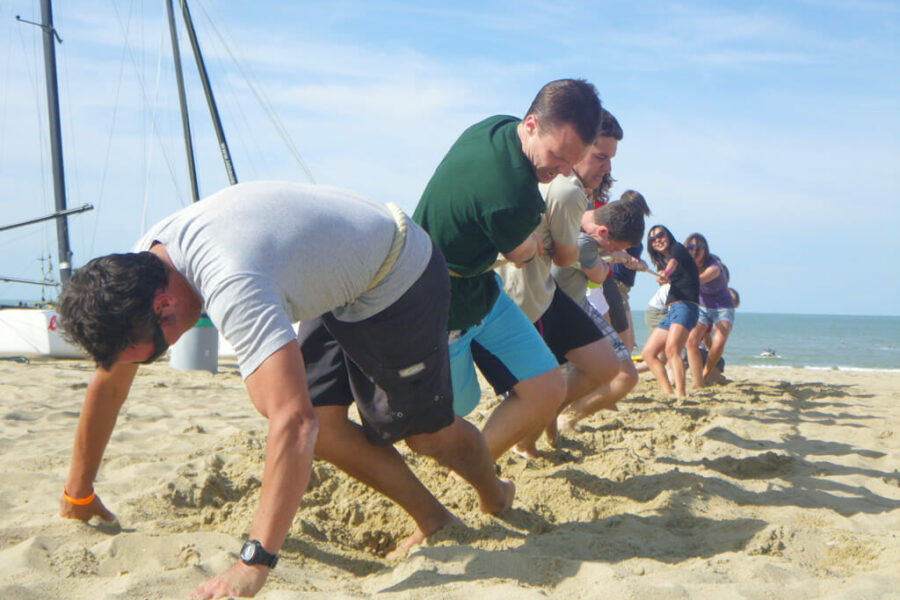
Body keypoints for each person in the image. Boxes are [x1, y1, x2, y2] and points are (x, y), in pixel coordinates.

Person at [56, 181, 514, 600]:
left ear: (164, 306)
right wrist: (79, 494)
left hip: (398, 271)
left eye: (150, 353)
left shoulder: (230, 280)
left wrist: (253, 563)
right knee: (329, 429)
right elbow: (111, 385)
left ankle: (495, 493)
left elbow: (293, 423)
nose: (144, 363)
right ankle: (436, 519)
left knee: (423, 435)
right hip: (333, 277)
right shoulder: (143, 265)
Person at [412, 78, 601, 461]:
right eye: (557, 156)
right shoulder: (512, 197)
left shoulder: (496, 125)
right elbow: (524, 253)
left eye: (572, 162)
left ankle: (472, 467)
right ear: (531, 125)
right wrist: (534, 240)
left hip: (482, 287)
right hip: (438, 299)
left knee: (549, 387)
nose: (564, 172)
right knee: (459, 405)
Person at [483, 108, 636, 455]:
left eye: (611, 159)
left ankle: (530, 433)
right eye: (600, 157)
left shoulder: (560, 186)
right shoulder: (566, 191)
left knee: (606, 366)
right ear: (578, 147)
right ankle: (490, 453)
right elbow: (567, 258)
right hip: (522, 299)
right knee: (540, 391)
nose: (608, 168)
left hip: (546, 294)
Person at [550, 200, 645, 432]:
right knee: (623, 375)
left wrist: (614, 253)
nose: (615, 252)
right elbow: (600, 275)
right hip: (559, 313)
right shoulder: (583, 242)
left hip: (579, 306)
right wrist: (610, 259)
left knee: (625, 375)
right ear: (602, 231)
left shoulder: (575, 225)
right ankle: (560, 415)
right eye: (615, 246)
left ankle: (563, 416)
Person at [640, 225, 700, 397]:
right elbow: (671, 268)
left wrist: (666, 273)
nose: (657, 240)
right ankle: (668, 392)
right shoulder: (666, 260)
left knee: (672, 350)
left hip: (686, 306)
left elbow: (673, 263)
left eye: (660, 235)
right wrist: (664, 276)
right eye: (652, 239)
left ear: (668, 236)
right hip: (672, 309)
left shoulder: (678, 249)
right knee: (648, 353)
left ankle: (681, 395)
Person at [684, 233, 736, 389]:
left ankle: (706, 374)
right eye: (690, 248)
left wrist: (677, 278)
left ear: (705, 250)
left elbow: (698, 280)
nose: (694, 252)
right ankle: (698, 382)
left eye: (698, 248)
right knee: (691, 341)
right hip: (702, 307)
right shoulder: (686, 264)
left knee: (718, 343)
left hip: (722, 307)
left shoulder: (714, 267)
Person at [608, 191, 651, 352]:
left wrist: (640, 263)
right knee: (626, 342)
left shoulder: (634, 229)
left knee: (626, 343)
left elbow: (630, 258)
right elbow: (613, 253)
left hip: (623, 287)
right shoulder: (621, 227)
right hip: (615, 283)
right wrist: (629, 260)